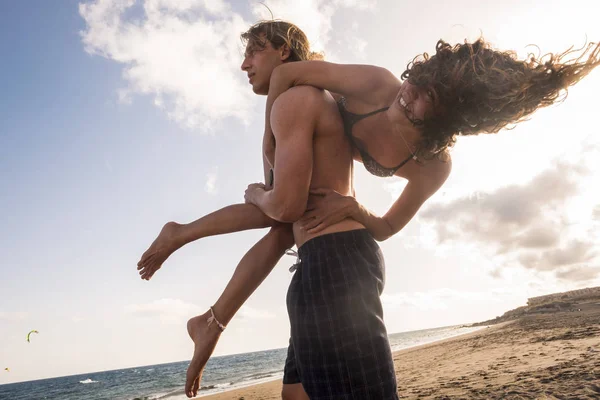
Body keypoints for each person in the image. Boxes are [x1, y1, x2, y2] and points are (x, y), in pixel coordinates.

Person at [137, 25, 600, 397]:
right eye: (419, 80)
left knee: (284, 215)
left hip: (341, 259)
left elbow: (390, 224)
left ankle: (208, 307)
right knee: (284, 219)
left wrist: (353, 203)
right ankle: (208, 308)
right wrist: (269, 143)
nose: (410, 93)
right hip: (318, 234)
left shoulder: (433, 166)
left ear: (451, 119)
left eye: (425, 100)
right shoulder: (378, 83)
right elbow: (285, 76)